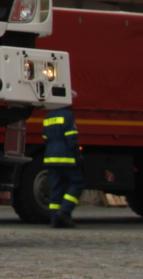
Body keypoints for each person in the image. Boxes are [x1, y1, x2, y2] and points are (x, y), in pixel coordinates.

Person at [42, 93, 83, 229]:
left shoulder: (48, 116)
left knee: (56, 188)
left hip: (50, 156)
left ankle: (55, 220)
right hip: (66, 156)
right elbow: (71, 137)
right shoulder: (68, 115)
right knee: (77, 183)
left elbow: (45, 137)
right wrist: (77, 155)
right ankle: (65, 211)